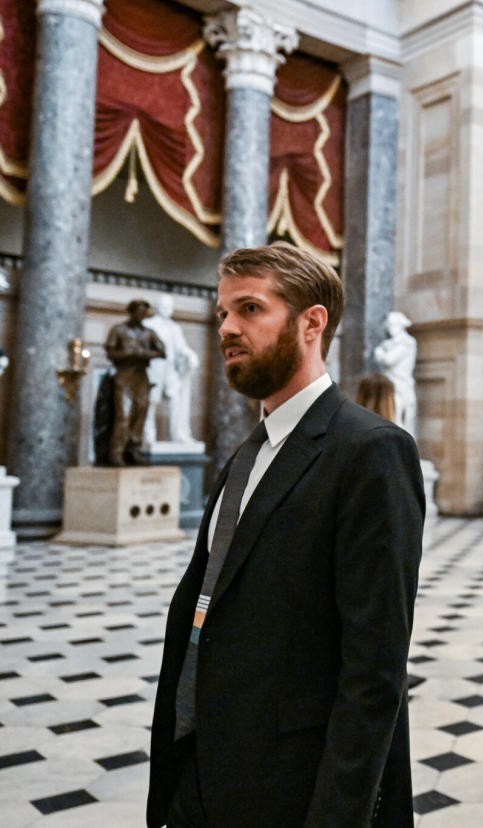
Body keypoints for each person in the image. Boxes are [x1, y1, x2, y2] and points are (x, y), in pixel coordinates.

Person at [147, 242, 424, 827]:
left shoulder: (369, 450)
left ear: (310, 324)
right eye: (223, 312)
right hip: (205, 770)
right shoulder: (251, 451)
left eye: (250, 309)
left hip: (291, 787)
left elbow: (375, 670)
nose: (227, 328)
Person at [104, 299, 166, 465]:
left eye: (143, 313)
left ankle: (133, 450)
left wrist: (144, 354)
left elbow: (162, 351)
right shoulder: (119, 330)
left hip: (141, 375)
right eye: (138, 311)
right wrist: (129, 354)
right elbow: (110, 352)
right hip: (124, 375)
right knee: (123, 415)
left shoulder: (149, 333)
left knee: (141, 412)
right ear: (131, 312)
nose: (141, 315)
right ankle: (116, 452)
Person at [144, 294, 202, 446]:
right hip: (152, 369)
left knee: (176, 400)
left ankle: (179, 435)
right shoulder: (148, 325)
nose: (167, 310)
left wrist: (191, 355)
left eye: (169, 307)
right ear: (156, 308)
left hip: (170, 369)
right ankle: (148, 436)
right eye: (164, 306)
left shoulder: (174, 328)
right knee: (150, 402)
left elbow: (181, 347)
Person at [373, 310, 418, 437]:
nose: (390, 328)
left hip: (401, 384)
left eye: (393, 325)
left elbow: (388, 360)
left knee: (401, 418)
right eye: (389, 325)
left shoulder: (407, 342)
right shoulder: (388, 344)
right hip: (389, 384)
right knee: (390, 416)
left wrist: (379, 353)